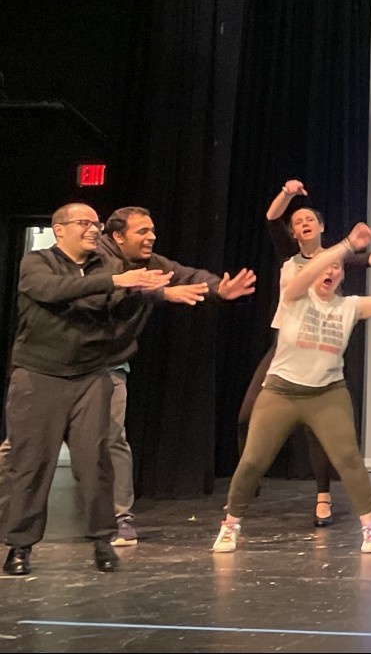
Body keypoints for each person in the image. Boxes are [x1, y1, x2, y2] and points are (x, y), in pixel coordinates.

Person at [0, 206, 257, 550]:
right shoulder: (85, 259)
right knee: (21, 452)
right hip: (45, 370)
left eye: (153, 231)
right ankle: (13, 523)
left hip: (101, 366)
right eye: (142, 232)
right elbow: (93, 290)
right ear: (117, 236)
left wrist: (217, 290)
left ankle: (116, 522)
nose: (151, 237)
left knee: (107, 444)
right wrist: (158, 293)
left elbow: (182, 275)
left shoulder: (139, 263)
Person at [213, 223, 371, 555]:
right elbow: (315, 265)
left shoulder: (349, 307)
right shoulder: (294, 297)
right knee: (253, 460)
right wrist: (344, 246)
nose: (329, 271)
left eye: (337, 268)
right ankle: (230, 525)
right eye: (324, 266)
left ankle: (370, 526)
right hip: (280, 392)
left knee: (348, 459)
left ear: (342, 276)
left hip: (327, 394)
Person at [2, 204, 173, 575]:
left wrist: (159, 293)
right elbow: (52, 291)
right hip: (38, 376)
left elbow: (110, 306)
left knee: (95, 461)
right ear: (59, 229)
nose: (93, 229)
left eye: (96, 224)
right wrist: (115, 283)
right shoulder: (37, 262)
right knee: (30, 465)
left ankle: (101, 541)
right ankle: (19, 547)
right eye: (84, 223)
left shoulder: (107, 267)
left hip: (90, 377)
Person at [246, 180, 371, 526]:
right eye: (297, 221)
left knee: (317, 431)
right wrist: (287, 193)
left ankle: (322, 496)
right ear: (294, 232)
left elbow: (366, 259)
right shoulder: (289, 256)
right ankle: (249, 477)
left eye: (309, 219)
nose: (303, 223)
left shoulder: (334, 259)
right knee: (246, 415)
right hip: (284, 345)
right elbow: (272, 219)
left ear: (322, 227)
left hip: (319, 345)